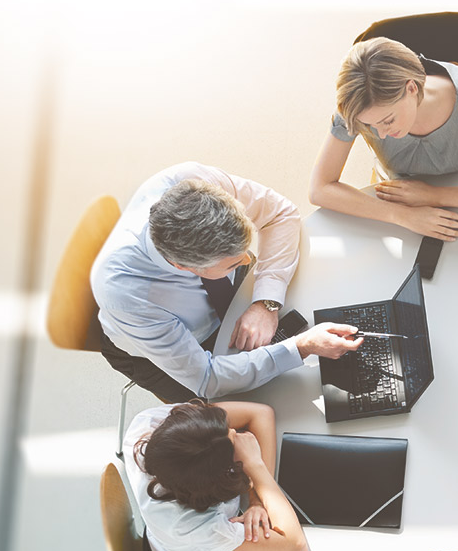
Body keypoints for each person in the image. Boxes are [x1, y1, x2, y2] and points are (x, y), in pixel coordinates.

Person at [91, 162, 365, 403]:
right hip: (172, 346)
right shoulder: (127, 295)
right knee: (259, 405)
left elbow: (279, 214)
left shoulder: (191, 182)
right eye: (234, 264)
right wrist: (301, 347)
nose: (248, 261)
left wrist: (265, 302)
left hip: (216, 292)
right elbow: (208, 378)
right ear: (183, 268)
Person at [310, 37, 458, 242]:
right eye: (369, 125)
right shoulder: (359, 106)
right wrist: (402, 215)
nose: (379, 134)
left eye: (388, 121)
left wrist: (432, 195)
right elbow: (319, 188)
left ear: (411, 88)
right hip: (404, 198)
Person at [125, 399, 319, 551]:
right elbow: (294, 546)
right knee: (323, 549)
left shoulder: (149, 428)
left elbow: (260, 413)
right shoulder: (195, 524)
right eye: (232, 445)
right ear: (216, 480)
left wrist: (256, 500)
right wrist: (255, 465)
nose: (236, 433)